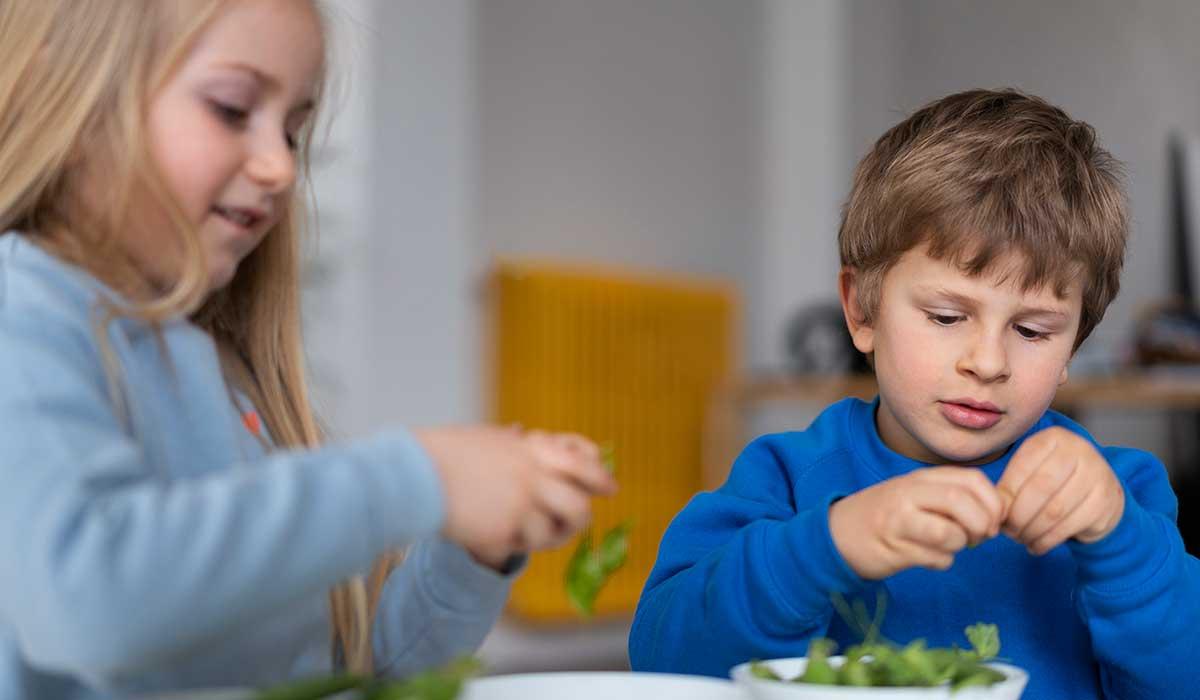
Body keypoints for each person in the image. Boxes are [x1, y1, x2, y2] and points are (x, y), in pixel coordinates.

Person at [0, 1, 617, 698]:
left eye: (292, 132)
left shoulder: (226, 389)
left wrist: (473, 550)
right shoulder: (21, 316)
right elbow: (90, 600)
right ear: (78, 94)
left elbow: (355, 677)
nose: (278, 168)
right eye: (232, 109)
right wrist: (420, 476)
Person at [629, 89, 1200, 699]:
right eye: (947, 317)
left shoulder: (1119, 498)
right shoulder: (785, 479)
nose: (987, 362)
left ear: (1074, 347)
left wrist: (1119, 544)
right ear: (861, 310)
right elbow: (666, 662)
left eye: (1032, 331)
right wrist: (826, 546)